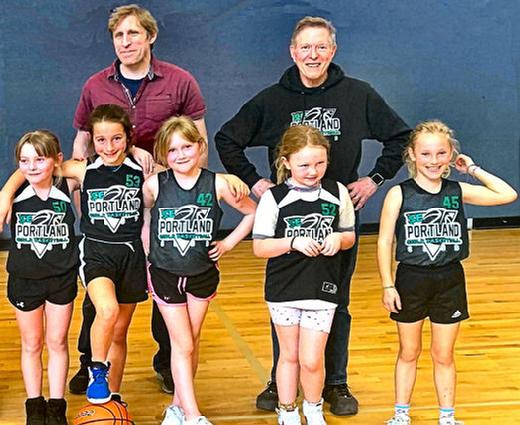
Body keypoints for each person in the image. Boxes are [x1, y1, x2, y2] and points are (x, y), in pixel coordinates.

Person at [215, 16, 410, 415]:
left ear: (333, 51)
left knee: (335, 303)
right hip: (287, 225)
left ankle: (334, 382)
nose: (313, 54)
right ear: (293, 52)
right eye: (306, 47)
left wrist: (373, 179)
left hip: (335, 217)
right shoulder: (273, 100)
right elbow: (226, 139)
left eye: (321, 47)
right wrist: (257, 184)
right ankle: (280, 380)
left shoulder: (358, 94)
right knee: (286, 303)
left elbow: (400, 136)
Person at [70, 4, 208, 396]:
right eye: (119, 35)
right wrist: (83, 196)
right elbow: (82, 140)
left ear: (150, 36)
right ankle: (89, 362)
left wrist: (192, 197)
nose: (126, 42)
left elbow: (199, 138)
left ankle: (167, 363)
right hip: (113, 195)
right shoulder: (96, 84)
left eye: (134, 34)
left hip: (160, 194)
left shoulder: (180, 81)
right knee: (100, 294)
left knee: (166, 278)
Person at [377, 120, 517, 425]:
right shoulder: (399, 194)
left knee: (443, 354)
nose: (433, 160)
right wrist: (388, 285)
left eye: (441, 153)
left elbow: (507, 195)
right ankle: (401, 414)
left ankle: (447, 417)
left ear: (451, 154)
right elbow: (385, 240)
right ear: (412, 154)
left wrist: (473, 169)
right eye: (426, 153)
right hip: (411, 278)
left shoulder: (457, 190)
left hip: (450, 279)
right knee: (409, 351)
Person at [141, 116, 256, 425]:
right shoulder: (154, 185)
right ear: (163, 154)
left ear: (200, 146)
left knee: (191, 340)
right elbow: (144, 216)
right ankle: (193, 415)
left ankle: (177, 408)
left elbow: (252, 212)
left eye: (186, 146)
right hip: (165, 272)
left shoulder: (217, 183)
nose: (180, 154)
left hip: (202, 273)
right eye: (172, 149)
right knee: (183, 344)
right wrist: (147, 252)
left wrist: (229, 243)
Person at [252, 125, 356, 425]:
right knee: (290, 355)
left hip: (322, 286)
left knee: (312, 359)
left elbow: (348, 236)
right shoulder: (274, 198)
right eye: (304, 165)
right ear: (286, 162)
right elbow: (260, 247)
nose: (313, 171)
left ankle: (313, 407)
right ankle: (286, 410)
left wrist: (339, 240)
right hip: (284, 287)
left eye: (319, 163)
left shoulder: (338, 194)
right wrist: (293, 242)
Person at [4, 130, 79, 424]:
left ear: (56, 160)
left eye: (40, 158)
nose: (31, 166)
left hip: (61, 279)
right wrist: (6, 191)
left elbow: (95, 165)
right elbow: (19, 177)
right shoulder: (12, 196)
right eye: (24, 160)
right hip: (25, 280)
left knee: (58, 342)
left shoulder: (68, 184)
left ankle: (57, 405)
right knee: (32, 343)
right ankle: (34, 405)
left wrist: (138, 154)